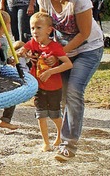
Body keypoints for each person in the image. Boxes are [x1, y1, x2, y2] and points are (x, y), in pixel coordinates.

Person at [37, 0, 104, 162]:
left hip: (88, 48)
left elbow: (83, 33)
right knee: (64, 94)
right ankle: (64, 136)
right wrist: (40, 48)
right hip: (63, 50)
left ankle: (69, 143)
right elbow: (43, 24)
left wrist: (60, 53)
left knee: (75, 91)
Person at [17, 12, 73, 152]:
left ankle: (60, 136)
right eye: (32, 28)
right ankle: (46, 143)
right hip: (38, 87)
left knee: (54, 115)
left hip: (54, 88)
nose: (34, 32)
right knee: (41, 115)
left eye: (38, 28)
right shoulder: (34, 43)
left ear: (49, 30)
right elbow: (22, 50)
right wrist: (19, 53)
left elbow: (68, 64)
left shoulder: (55, 47)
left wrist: (50, 72)